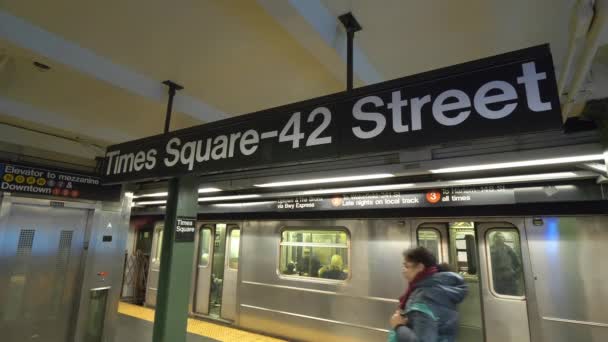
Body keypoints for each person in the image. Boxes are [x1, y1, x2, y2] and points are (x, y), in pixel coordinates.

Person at [389, 247, 467, 342]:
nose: (403, 270)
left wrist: (398, 326)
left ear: (420, 267)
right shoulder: (438, 288)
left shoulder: (425, 298)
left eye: (407, 266)